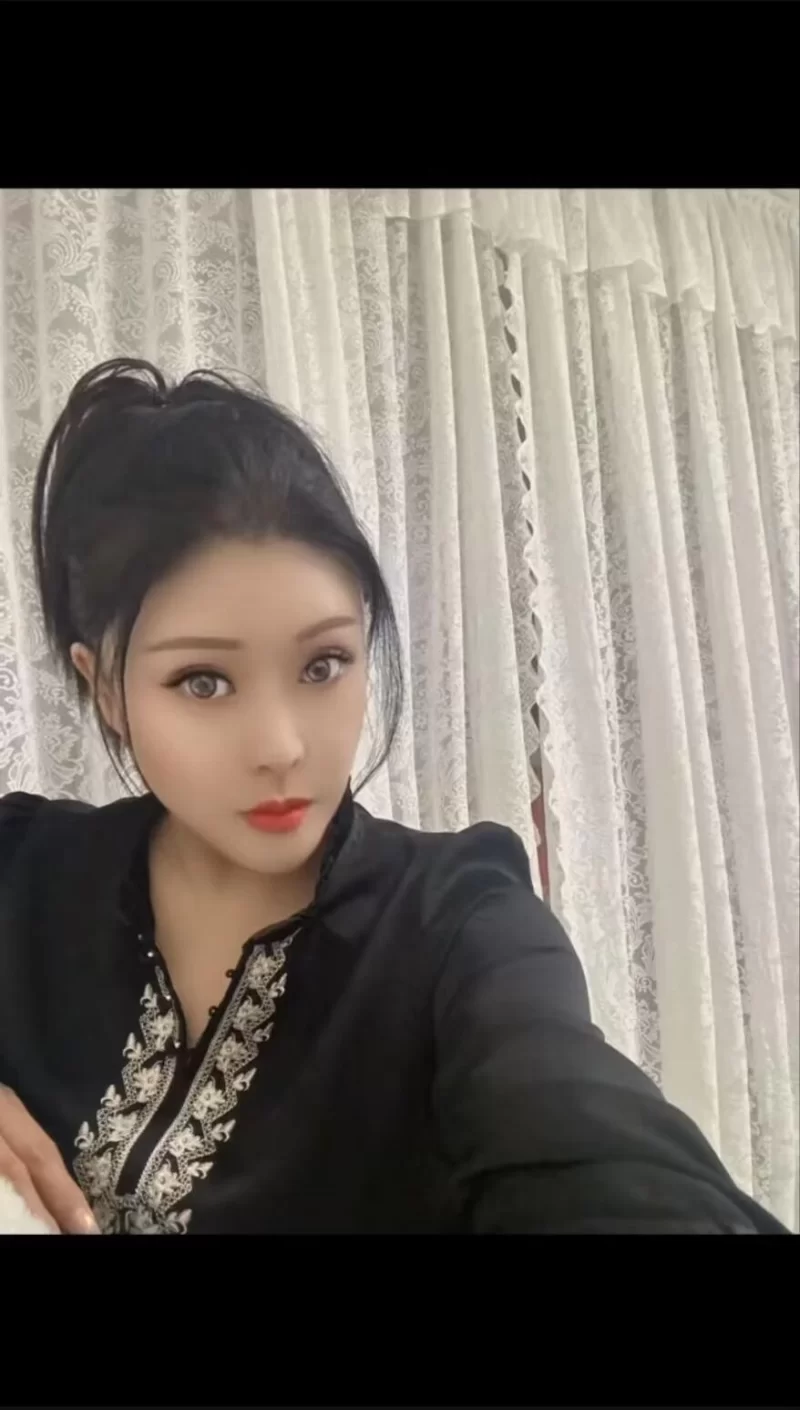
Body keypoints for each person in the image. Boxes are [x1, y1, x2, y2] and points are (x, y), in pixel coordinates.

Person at [0, 359, 788, 1236]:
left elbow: (586, 1138)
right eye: (204, 682)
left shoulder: (455, 929)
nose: (283, 747)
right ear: (105, 689)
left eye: (323, 665)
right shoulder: (24, 872)